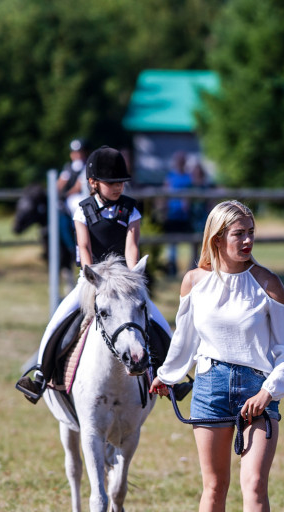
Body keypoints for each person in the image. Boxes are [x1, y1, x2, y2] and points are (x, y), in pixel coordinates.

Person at [150, 200, 284, 512]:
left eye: (251, 231)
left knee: (254, 484)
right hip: (210, 385)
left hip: (257, 389)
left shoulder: (267, 283)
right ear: (217, 238)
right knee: (214, 485)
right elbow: (183, 341)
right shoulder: (194, 282)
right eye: (240, 233)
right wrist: (166, 377)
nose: (249, 239)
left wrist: (268, 391)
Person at [16, 146, 189, 403]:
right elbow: (84, 246)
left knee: (159, 321)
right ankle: (42, 374)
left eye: (121, 182)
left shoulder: (131, 209)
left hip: (123, 280)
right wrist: (92, 278)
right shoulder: (82, 210)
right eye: (112, 182)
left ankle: (175, 378)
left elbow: (132, 246)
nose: (118, 187)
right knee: (59, 321)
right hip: (92, 279)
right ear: (93, 183)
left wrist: (131, 277)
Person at [163, 151, 192, 276]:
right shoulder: (170, 177)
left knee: (192, 241)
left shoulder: (189, 177)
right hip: (172, 214)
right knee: (172, 244)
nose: (180, 162)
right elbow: (164, 194)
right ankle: (172, 267)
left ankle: (192, 266)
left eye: (182, 160)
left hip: (185, 215)